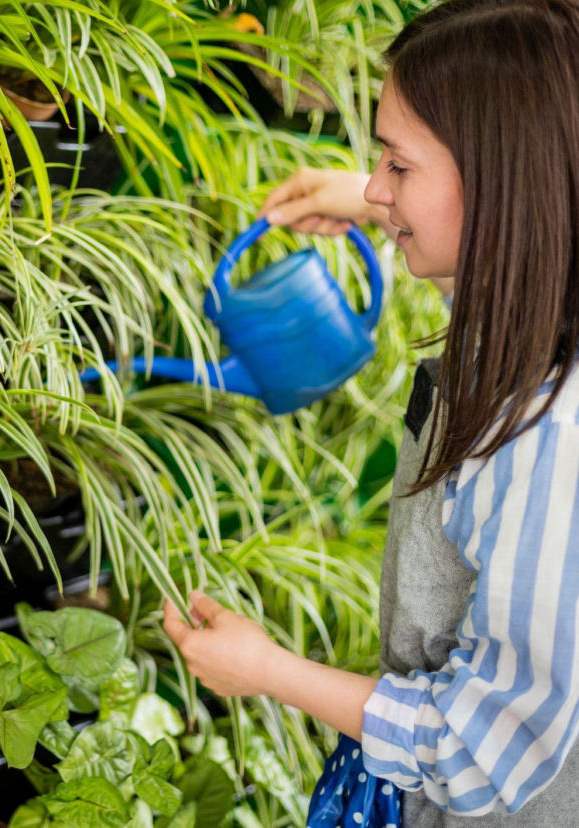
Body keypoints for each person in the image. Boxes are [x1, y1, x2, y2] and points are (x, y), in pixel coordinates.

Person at [163, 1, 579, 825]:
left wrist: (268, 670)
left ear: (501, 184)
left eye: (398, 164)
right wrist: (368, 198)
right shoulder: (536, 286)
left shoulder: (551, 439)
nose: (380, 186)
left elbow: (479, 745)